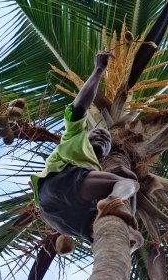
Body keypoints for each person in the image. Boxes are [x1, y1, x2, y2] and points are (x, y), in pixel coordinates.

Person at [31, 51, 143, 251]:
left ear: (108, 153)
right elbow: (81, 105)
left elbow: (106, 175)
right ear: (85, 133)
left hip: (58, 217)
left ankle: (122, 233)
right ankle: (112, 200)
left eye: (107, 140)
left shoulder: (95, 167)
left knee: (132, 239)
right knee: (129, 184)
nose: (103, 136)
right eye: (97, 133)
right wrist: (99, 69)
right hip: (58, 183)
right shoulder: (74, 135)